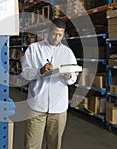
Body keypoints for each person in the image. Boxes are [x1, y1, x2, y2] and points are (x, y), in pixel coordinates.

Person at [21, 18, 79, 149]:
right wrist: (40, 70)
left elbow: (74, 76)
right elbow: (25, 73)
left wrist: (69, 76)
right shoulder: (34, 49)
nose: (56, 37)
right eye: (54, 33)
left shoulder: (67, 52)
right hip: (36, 106)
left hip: (58, 108)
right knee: (31, 145)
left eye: (60, 35)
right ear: (48, 31)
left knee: (55, 145)